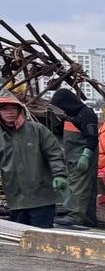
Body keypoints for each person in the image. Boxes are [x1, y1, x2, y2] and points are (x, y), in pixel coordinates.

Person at [0, 92, 68, 228]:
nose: (10, 112)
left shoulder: (37, 130)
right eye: (5, 109)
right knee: (19, 238)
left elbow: (54, 153)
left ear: (20, 110)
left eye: (13, 108)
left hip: (41, 197)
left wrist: (59, 174)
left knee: (43, 238)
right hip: (16, 198)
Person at [48, 88, 99, 227]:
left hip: (83, 157)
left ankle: (75, 216)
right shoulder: (71, 115)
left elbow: (93, 137)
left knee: (78, 186)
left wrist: (86, 155)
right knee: (86, 188)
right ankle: (88, 219)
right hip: (72, 157)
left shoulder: (86, 114)